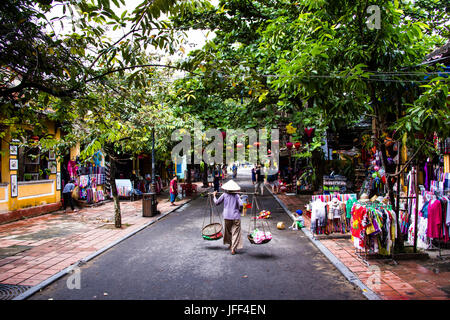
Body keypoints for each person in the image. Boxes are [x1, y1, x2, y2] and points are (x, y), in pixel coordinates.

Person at [212, 180, 243, 255]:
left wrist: (214, 196)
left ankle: (230, 244)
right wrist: (240, 210)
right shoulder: (237, 195)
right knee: (235, 232)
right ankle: (233, 248)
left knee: (228, 231)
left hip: (227, 216)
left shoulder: (224, 195)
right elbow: (241, 205)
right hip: (235, 216)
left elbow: (217, 202)